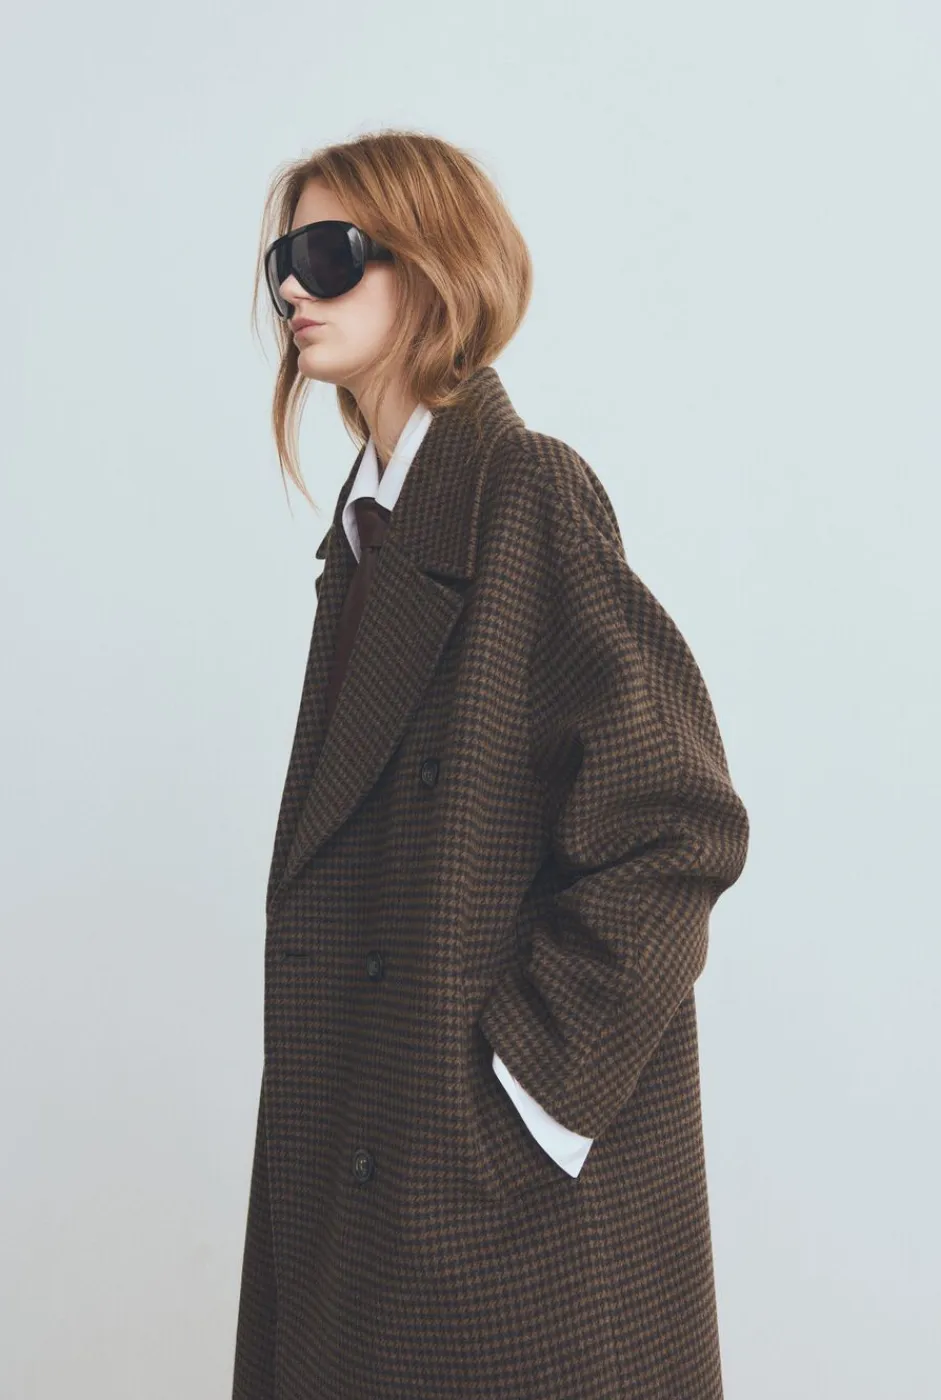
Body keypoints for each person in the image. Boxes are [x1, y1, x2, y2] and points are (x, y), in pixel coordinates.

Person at [233, 128, 751, 1400]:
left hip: (490, 1216)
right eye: (281, 259)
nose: (292, 286)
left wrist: (523, 1091)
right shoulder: (369, 532)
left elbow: (675, 820)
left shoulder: (522, 493)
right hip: (368, 1164)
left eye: (329, 253)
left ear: (434, 265)